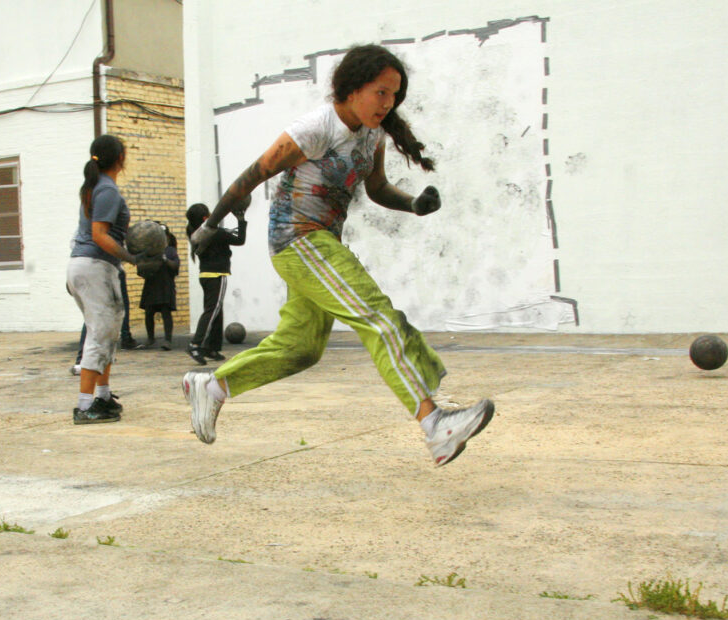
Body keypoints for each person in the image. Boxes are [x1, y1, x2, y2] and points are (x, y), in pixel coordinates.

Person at [183, 44, 495, 466]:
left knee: (301, 348)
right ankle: (434, 425)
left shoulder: (371, 133)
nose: (387, 103)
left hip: (320, 243)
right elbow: (252, 175)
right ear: (351, 88)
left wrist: (414, 205)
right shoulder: (316, 128)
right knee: (378, 317)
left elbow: (377, 189)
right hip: (298, 239)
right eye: (380, 92)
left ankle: (213, 388)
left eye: (394, 95)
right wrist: (209, 225)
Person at [66, 134, 145, 424]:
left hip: (90, 267)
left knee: (109, 334)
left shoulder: (96, 186)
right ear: (121, 159)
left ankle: (103, 397)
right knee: (100, 335)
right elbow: (99, 236)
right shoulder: (107, 190)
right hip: (94, 267)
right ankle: (85, 407)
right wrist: (133, 258)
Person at [185, 201, 247, 364]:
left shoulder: (193, 231)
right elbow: (240, 240)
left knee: (216, 311)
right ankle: (195, 344)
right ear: (206, 217)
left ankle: (211, 347)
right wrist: (241, 219)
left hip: (205, 275)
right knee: (212, 311)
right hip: (217, 274)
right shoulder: (216, 233)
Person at [137, 225, 180, 350]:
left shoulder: (170, 251)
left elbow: (176, 266)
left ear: (166, 237)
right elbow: (140, 270)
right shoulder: (149, 251)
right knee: (149, 312)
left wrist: (165, 259)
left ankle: (168, 340)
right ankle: (150, 338)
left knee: (166, 312)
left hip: (165, 285)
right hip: (151, 285)